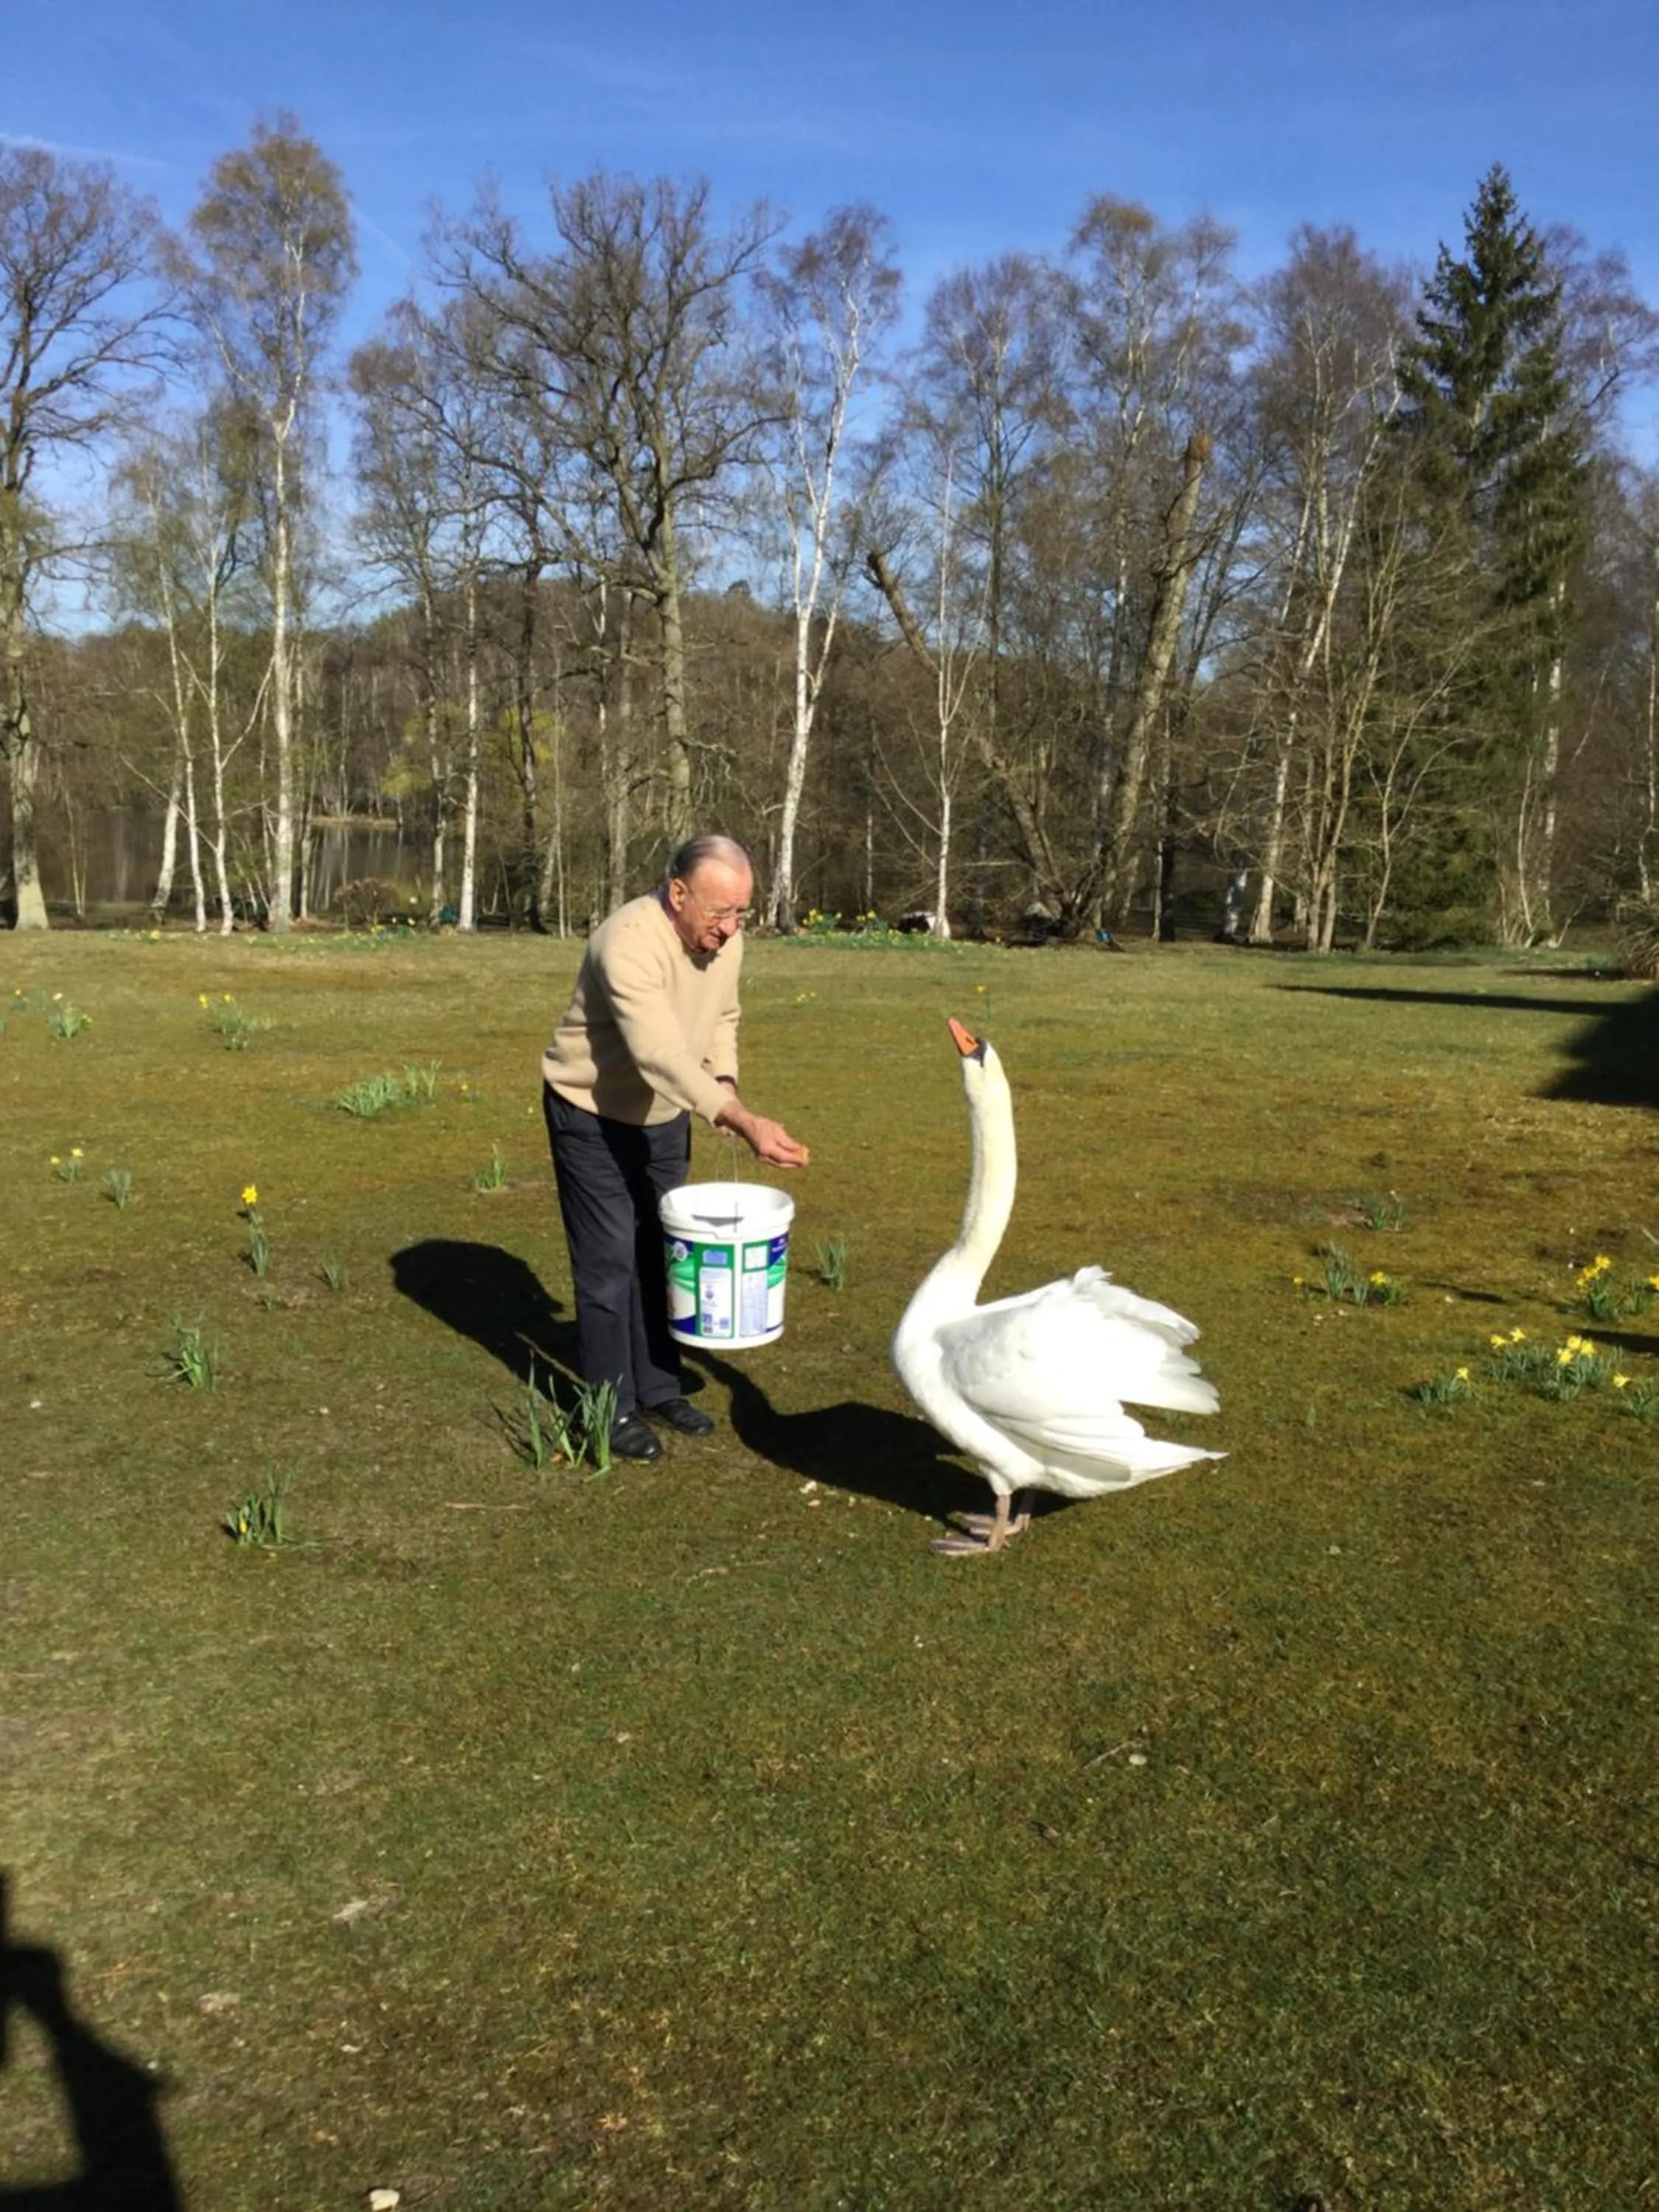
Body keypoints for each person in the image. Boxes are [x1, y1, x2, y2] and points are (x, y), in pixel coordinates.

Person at [541, 835, 810, 1461]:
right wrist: (739, 1117)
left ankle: (659, 1387)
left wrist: (724, 1083)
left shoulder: (726, 940)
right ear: (678, 893)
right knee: (608, 1264)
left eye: (741, 912)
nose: (730, 928)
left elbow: (723, 1018)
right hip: (592, 1113)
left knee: (662, 1253)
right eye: (719, 913)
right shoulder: (627, 943)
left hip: (666, 1114)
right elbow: (657, 1051)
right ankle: (610, 1409)